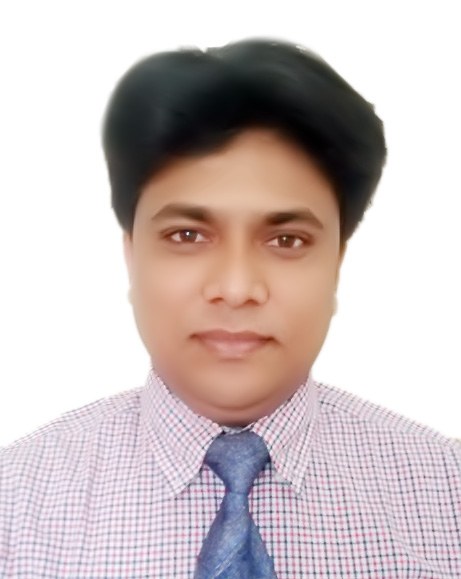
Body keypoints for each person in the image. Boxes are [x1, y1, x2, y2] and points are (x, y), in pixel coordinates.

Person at [1, 38, 460, 579]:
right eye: (187, 235)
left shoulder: (448, 493)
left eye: (287, 240)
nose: (238, 288)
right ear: (131, 256)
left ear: (337, 263)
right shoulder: (15, 504)